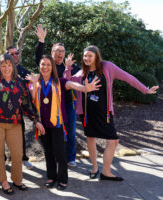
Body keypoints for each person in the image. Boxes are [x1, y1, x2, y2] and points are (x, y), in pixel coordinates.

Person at [64, 45, 158, 181]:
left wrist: (145, 89)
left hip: (104, 112)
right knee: (91, 138)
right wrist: (68, 68)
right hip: (87, 112)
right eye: (85, 56)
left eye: (90, 55)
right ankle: (95, 168)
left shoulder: (108, 67)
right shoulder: (82, 72)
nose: (86, 58)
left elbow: (128, 77)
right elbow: (68, 82)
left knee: (113, 141)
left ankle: (106, 171)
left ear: (96, 56)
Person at [26, 55, 100, 190]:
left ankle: (63, 179)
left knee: (60, 152)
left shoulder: (59, 81)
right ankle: (51, 176)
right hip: (42, 124)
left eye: (48, 64)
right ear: (39, 66)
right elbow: (31, 102)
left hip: (57, 123)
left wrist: (85, 88)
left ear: (52, 67)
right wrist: (34, 85)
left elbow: (71, 84)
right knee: (48, 152)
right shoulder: (35, 82)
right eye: (43, 64)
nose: (45, 67)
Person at [0, 55, 45, 195]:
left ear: (13, 66)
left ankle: (17, 179)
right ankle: (3, 181)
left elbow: (27, 103)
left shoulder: (20, 82)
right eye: (3, 65)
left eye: (9, 65)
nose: (6, 68)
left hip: (14, 123)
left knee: (17, 153)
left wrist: (36, 120)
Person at [0, 29, 34, 169]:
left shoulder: (22, 70)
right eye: (12, 54)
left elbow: (32, 85)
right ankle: (2, 161)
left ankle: (22, 158)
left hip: (16, 113)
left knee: (18, 138)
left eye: (17, 53)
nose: (15, 55)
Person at [34, 24, 80, 167]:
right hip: (51, 105)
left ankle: (70, 157)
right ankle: (54, 157)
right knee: (53, 132)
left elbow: (77, 80)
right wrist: (41, 40)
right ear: (52, 52)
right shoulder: (49, 65)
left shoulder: (70, 66)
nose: (61, 53)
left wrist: (69, 69)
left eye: (63, 51)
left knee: (71, 131)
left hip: (67, 103)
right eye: (58, 51)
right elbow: (38, 59)